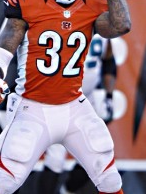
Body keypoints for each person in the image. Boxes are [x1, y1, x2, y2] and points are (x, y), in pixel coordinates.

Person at [0, 0, 131, 194]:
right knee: (4, 182)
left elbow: (121, 25)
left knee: (109, 177)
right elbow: (3, 49)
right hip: (33, 107)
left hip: (74, 105)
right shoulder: (27, 2)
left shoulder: (92, 2)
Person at [38, 33, 117, 194]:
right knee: (56, 158)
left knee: (97, 155)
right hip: (61, 97)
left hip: (88, 98)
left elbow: (109, 61)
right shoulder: (66, 22)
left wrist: (109, 96)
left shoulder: (102, 27)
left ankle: (66, 191)